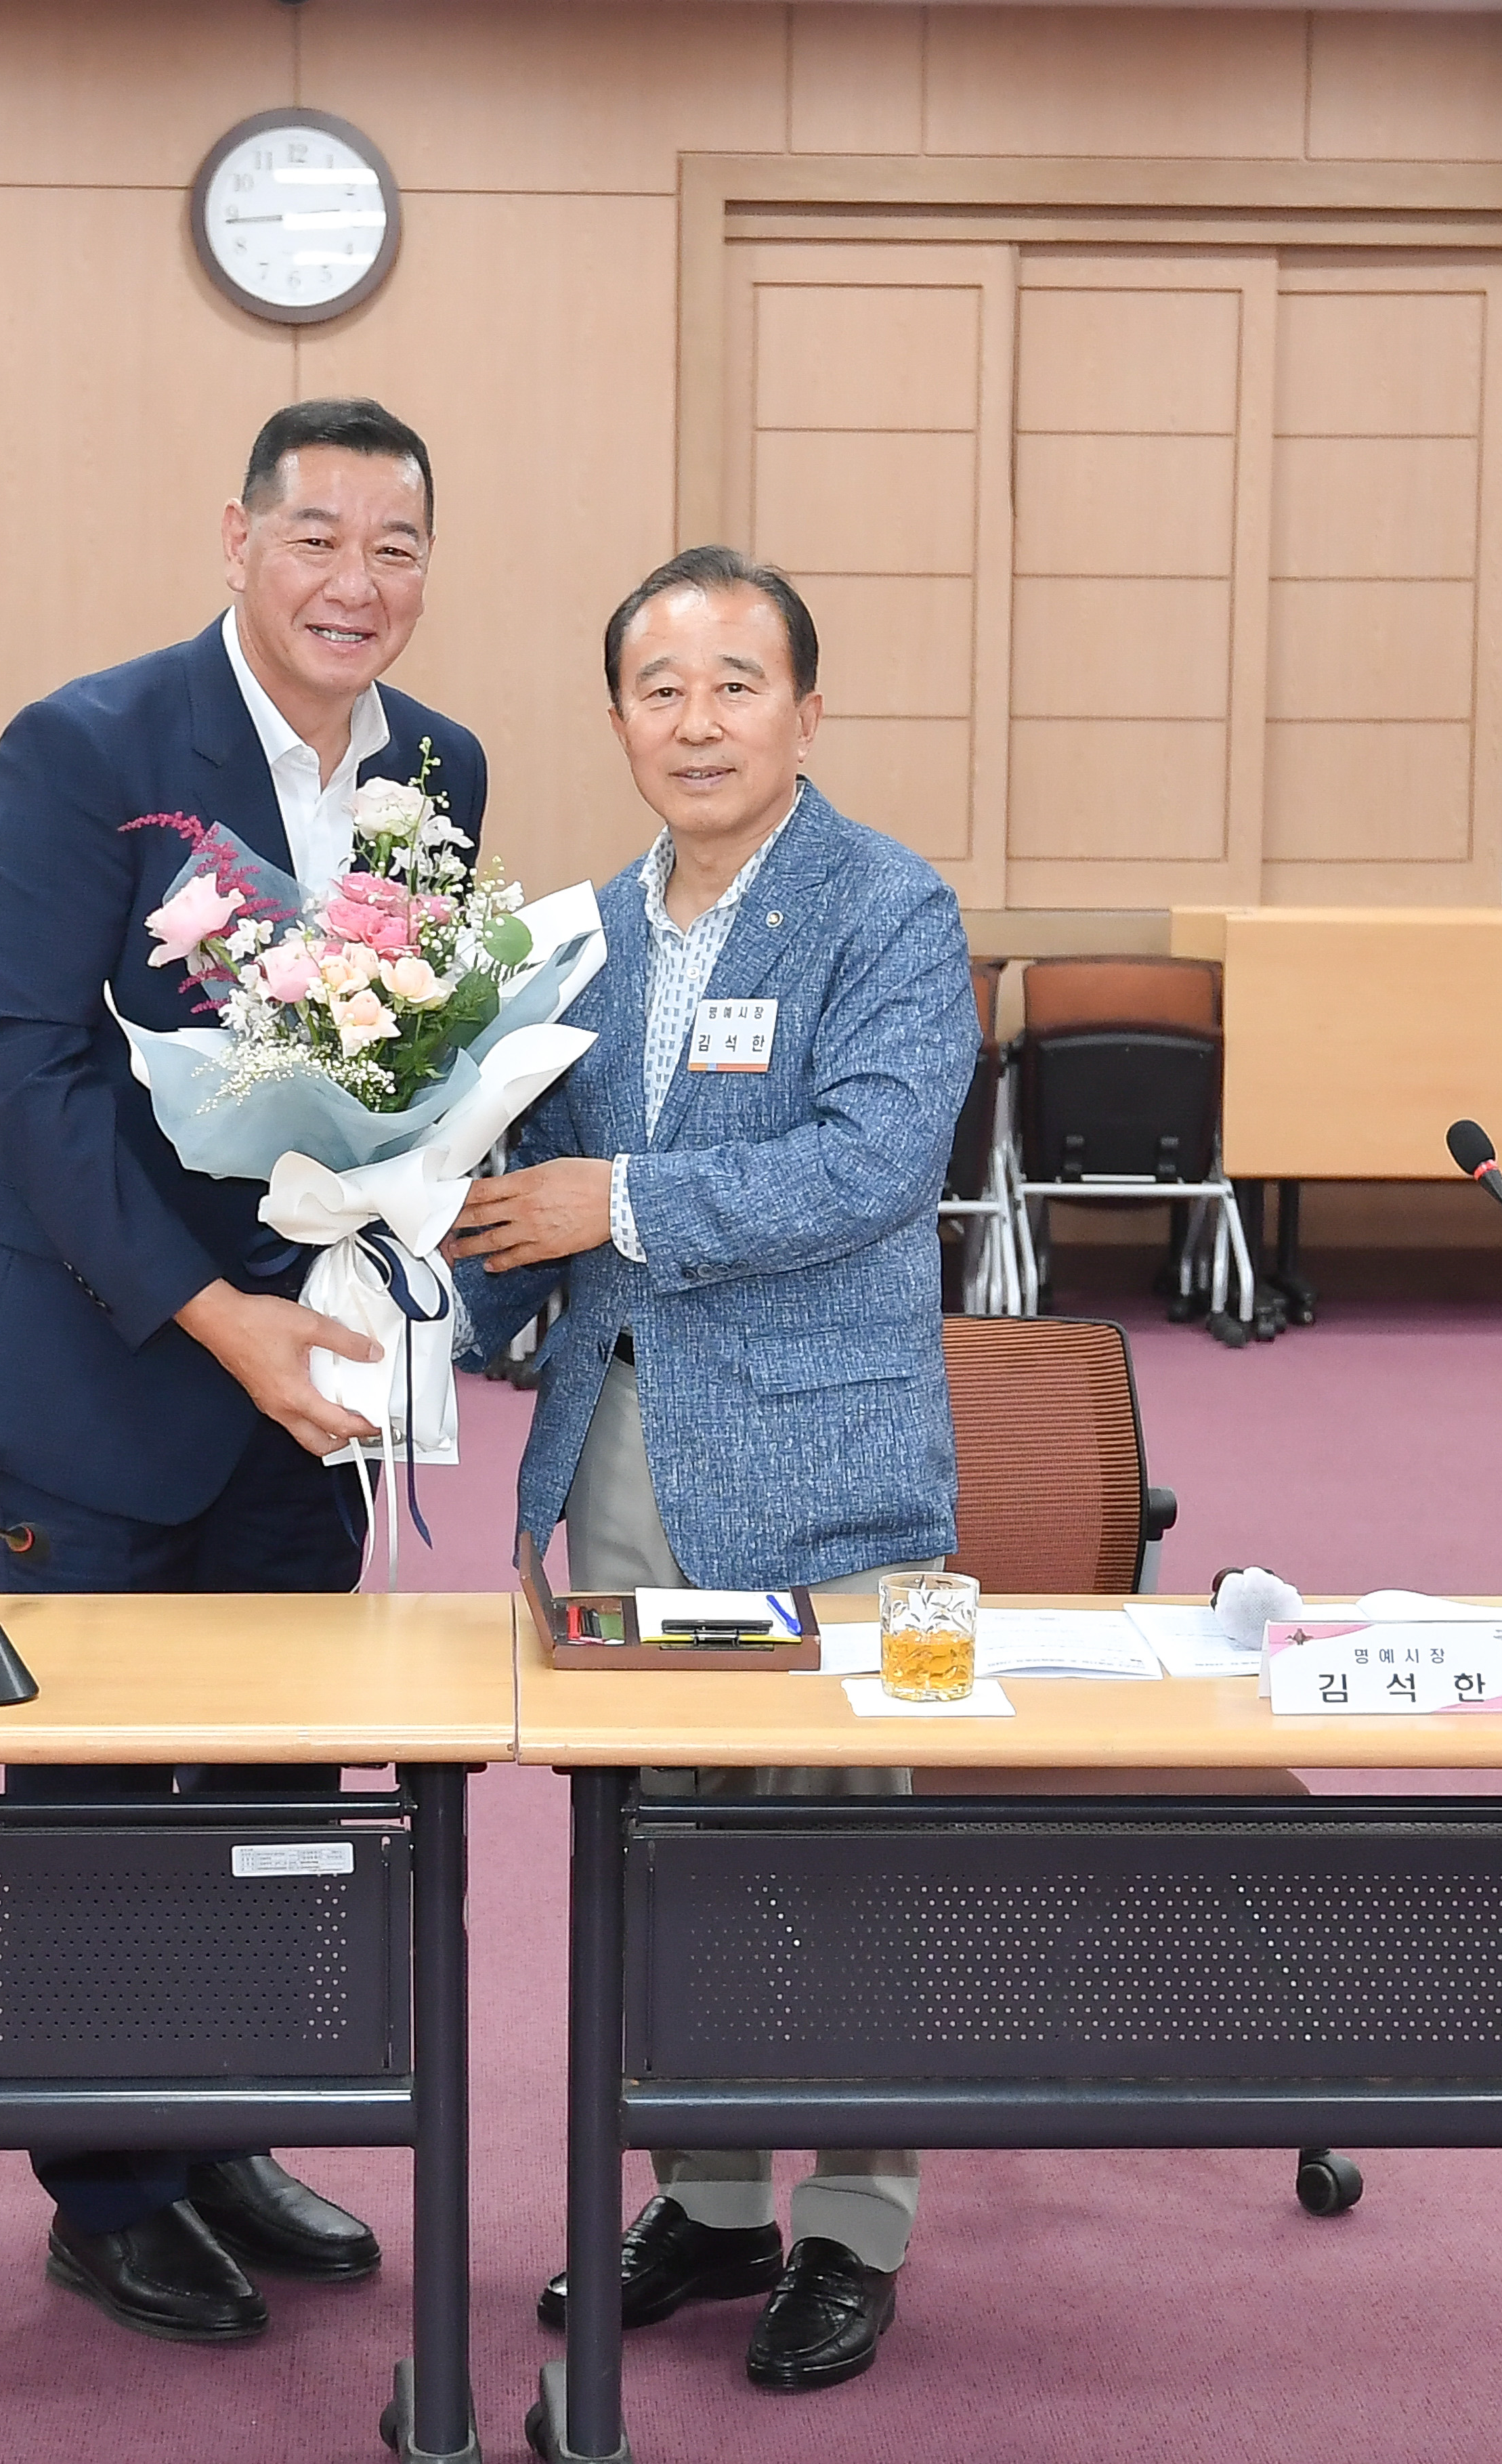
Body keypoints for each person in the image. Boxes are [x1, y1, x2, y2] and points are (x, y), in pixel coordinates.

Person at [0, 399, 489, 2344]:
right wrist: (213, 1316)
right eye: (317, 538)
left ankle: (226, 2122)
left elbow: (404, 1054)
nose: (355, 583)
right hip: (102, 1364)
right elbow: (23, 1068)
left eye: (395, 547)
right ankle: (106, 2190)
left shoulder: (440, 767)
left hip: (309, 1376)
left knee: (271, 1778)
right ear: (236, 540)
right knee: (92, 1791)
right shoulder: (86, 748)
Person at [448, 544, 974, 2393]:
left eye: (736, 684)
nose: (697, 721)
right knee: (658, 1849)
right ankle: (713, 2193)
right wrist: (405, 1263)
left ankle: (854, 2226)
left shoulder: (888, 910)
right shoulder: (577, 934)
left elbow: (868, 1165)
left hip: (827, 1468)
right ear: (616, 721)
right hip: (619, 1458)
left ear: (805, 713)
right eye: (659, 688)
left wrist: (615, 1201)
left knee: (839, 1855)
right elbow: (520, 1200)